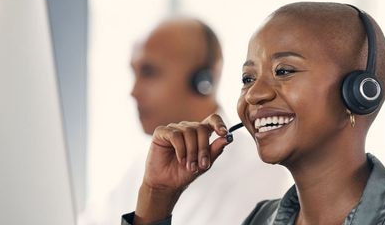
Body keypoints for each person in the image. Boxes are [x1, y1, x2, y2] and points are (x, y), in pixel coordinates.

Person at [122, 2, 385, 224]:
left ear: (359, 93)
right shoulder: (262, 218)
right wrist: (157, 197)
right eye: (247, 77)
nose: (254, 93)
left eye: (284, 71)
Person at [80, 17, 290, 224]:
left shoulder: (258, 170)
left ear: (203, 81)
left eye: (149, 72)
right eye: (134, 73)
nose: (133, 92)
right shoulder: (141, 166)